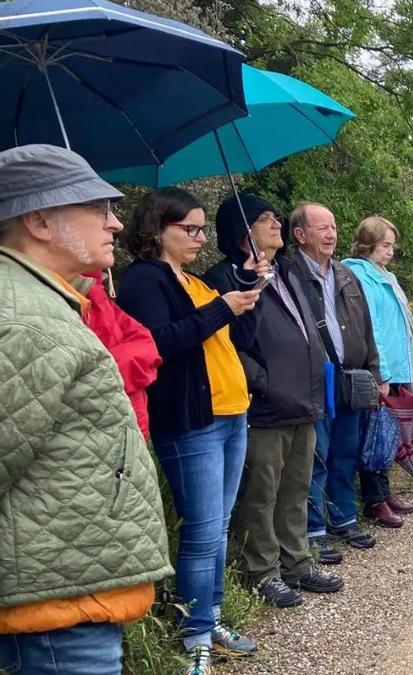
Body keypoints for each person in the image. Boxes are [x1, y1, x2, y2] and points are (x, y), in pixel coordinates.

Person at [0, 144, 171, 674]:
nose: (116, 224)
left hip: (62, 589)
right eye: (98, 208)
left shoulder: (45, 303)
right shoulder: (27, 321)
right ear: (39, 221)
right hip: (53, 607)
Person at [117, 188, 264, 671]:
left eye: (203, 229)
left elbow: (235, 338)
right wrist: (224, 307)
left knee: (218, 525)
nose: (201, 238)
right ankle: (195, 632)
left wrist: (248, 293)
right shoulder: (144, 280)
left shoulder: (196, 281)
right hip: (191, 422)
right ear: (159, 229)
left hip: (231, 414)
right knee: (202, 530)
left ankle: (212, 614)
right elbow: (160, 342)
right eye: (191, 229)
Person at [203, 195, 344, 607]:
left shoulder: (286, 271)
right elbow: (227, 342)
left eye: (276, 217)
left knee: (296, 487)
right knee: (262, 492)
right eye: (265, 219)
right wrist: (263, 381)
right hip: (265, 403)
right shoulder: (225, 276)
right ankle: (262, 571)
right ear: (241, 230)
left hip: (304, 397)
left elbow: (305, 329)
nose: (277, 224)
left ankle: (296, 561)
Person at [290, 202, 385, 555]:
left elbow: (366, 328)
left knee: (346, 452)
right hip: (314, 378)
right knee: (316, 456)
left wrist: (374, 373)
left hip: (351, 377)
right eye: (321, 228)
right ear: (300, 235)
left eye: (333, 227)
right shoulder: (290, 275)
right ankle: (314, 531)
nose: (331, 234)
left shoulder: (346, 274)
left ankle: (344, 518)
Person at [342, 216, 413, 526]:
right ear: (368, 244)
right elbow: (373, 325)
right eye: (385, 245)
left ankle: (385, 491)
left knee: (389, 434)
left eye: (392, 245)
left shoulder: (383, 274)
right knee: (375, 434)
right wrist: (383, 373)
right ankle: (374, 500)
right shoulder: (361, 275)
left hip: (397, 364)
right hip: (381, 368)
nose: (391, 251)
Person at [75, 268, 161, 440]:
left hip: (125, 426)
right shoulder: (59, 292)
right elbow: (81, 374)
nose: (111, 240)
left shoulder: (95, 290)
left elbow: (147, 344)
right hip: (98, 435)